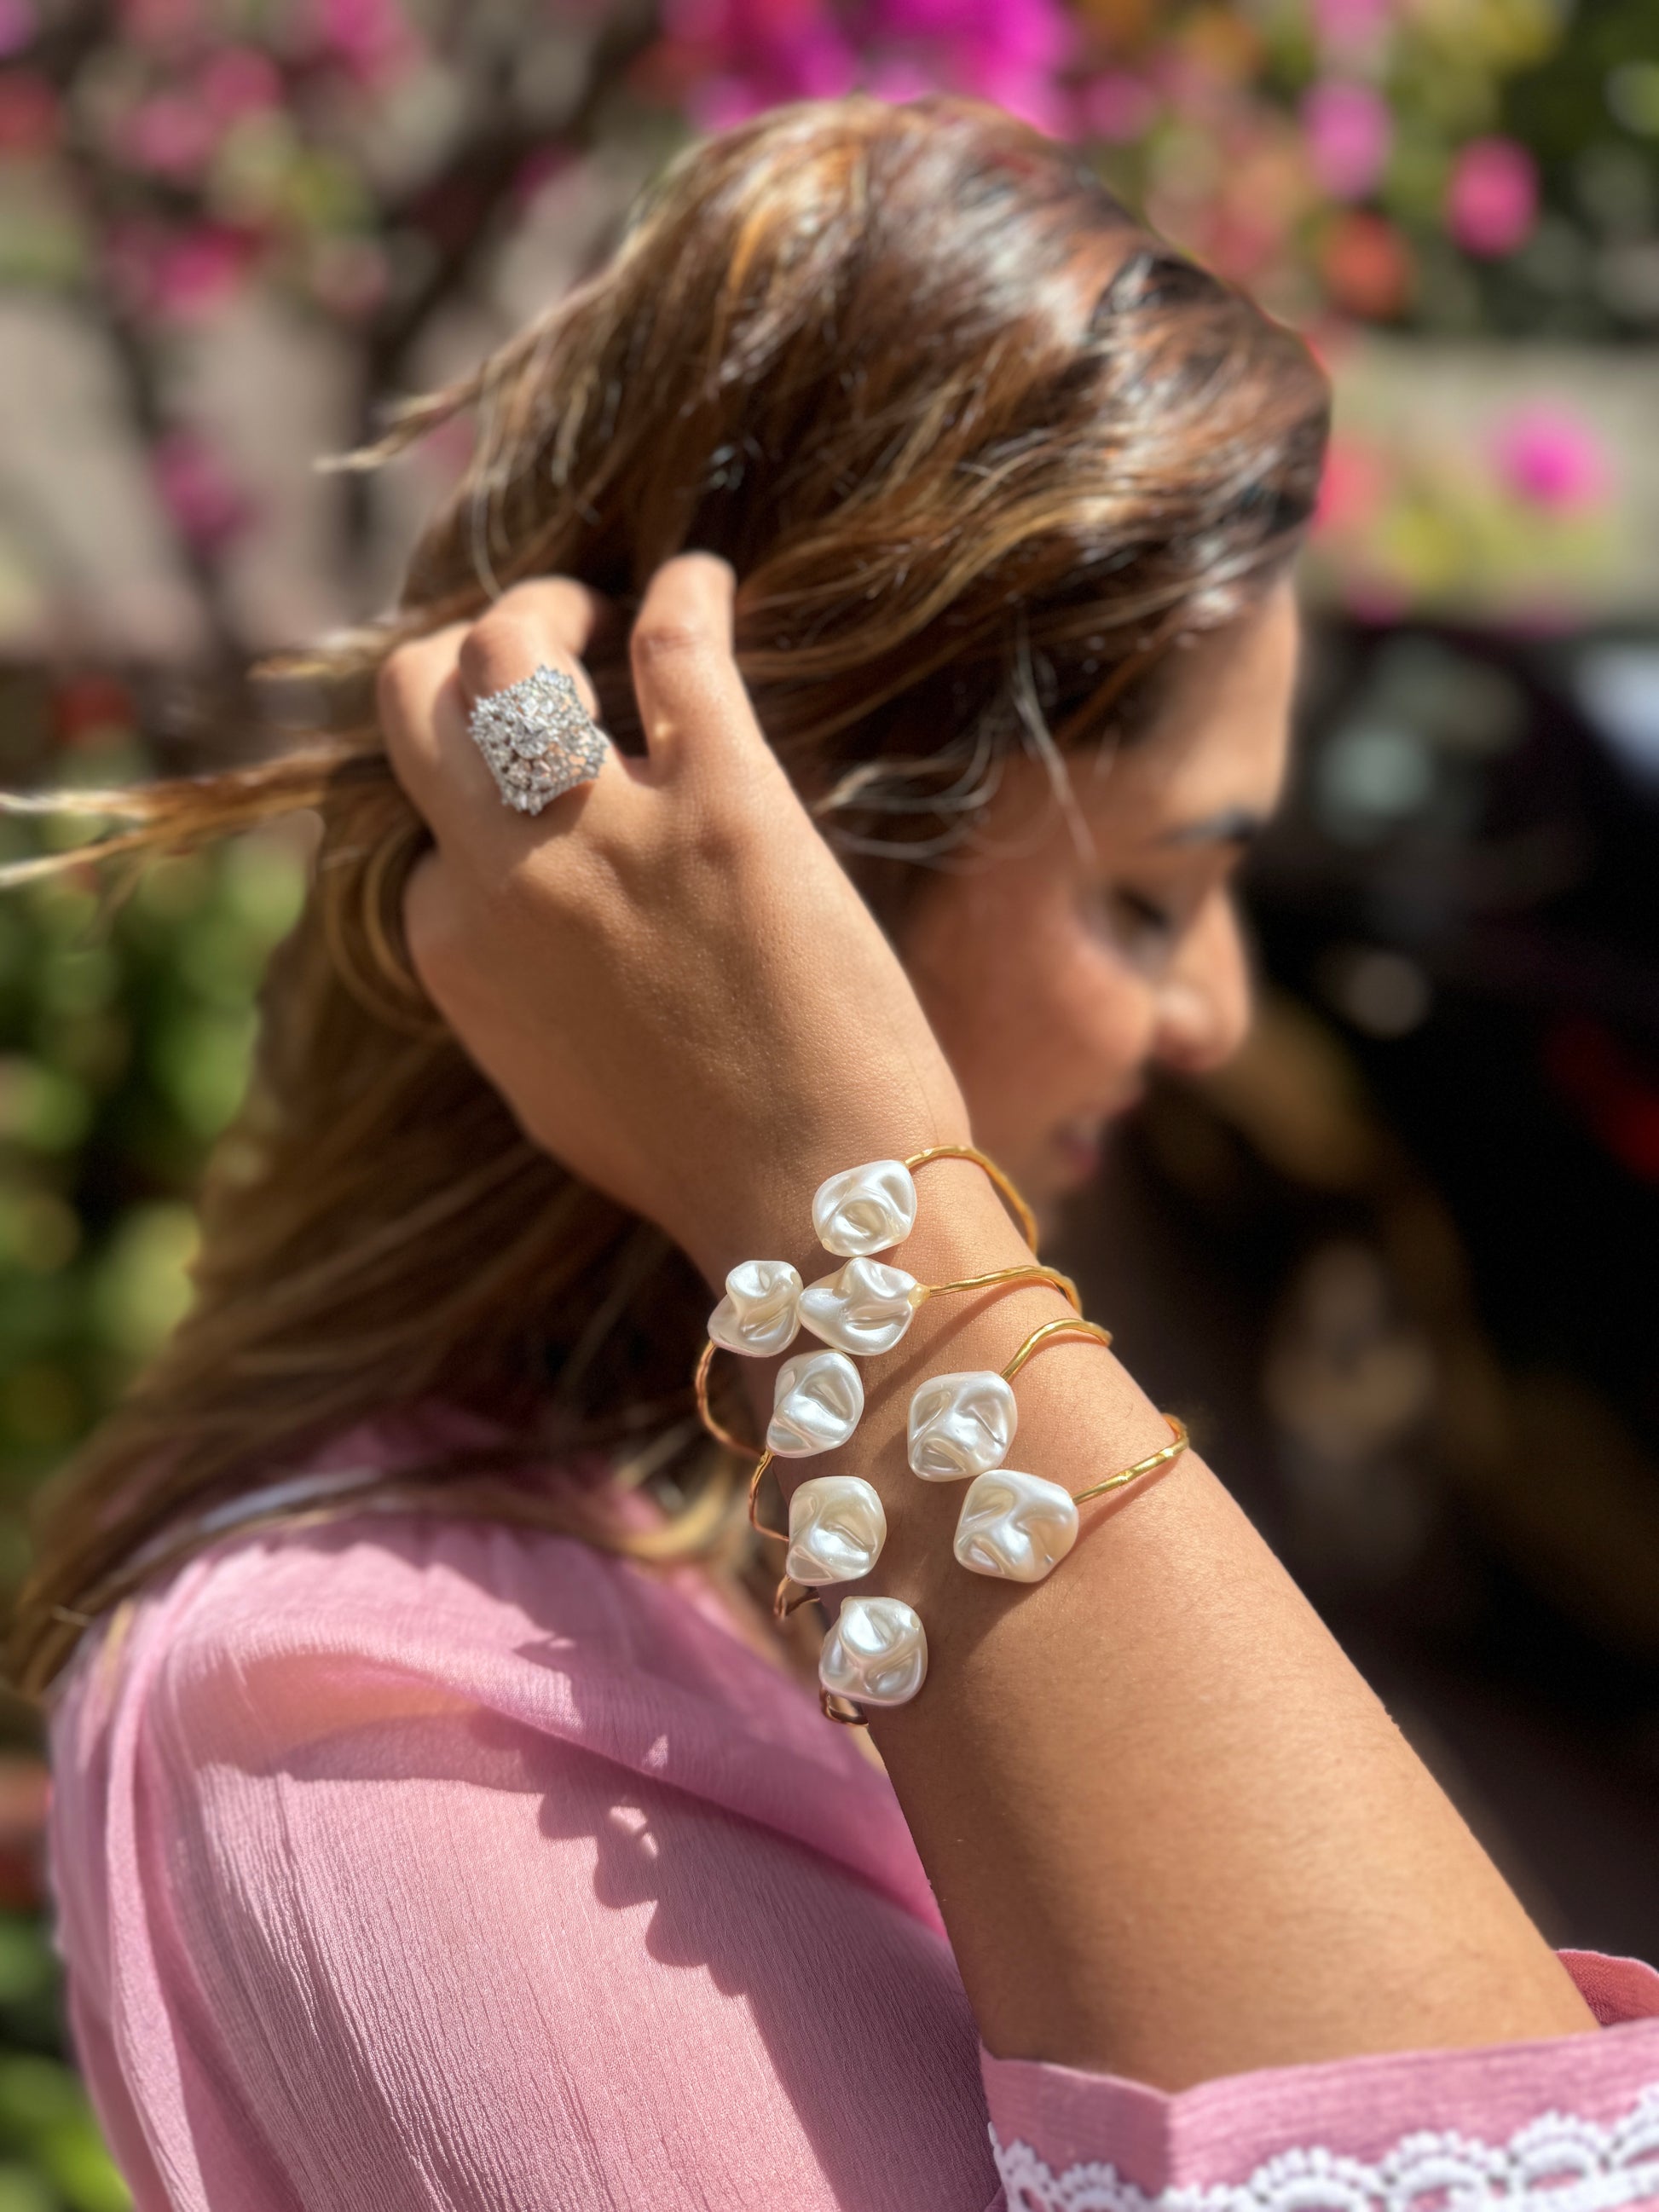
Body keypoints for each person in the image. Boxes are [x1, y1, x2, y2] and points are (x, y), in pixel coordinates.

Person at [14, 95, 1657, 2212]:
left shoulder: (777, 1541)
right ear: (801, 884)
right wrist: (833, 1185)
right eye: (1150, 895)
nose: (1215, 1013)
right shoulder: (369, 1708)